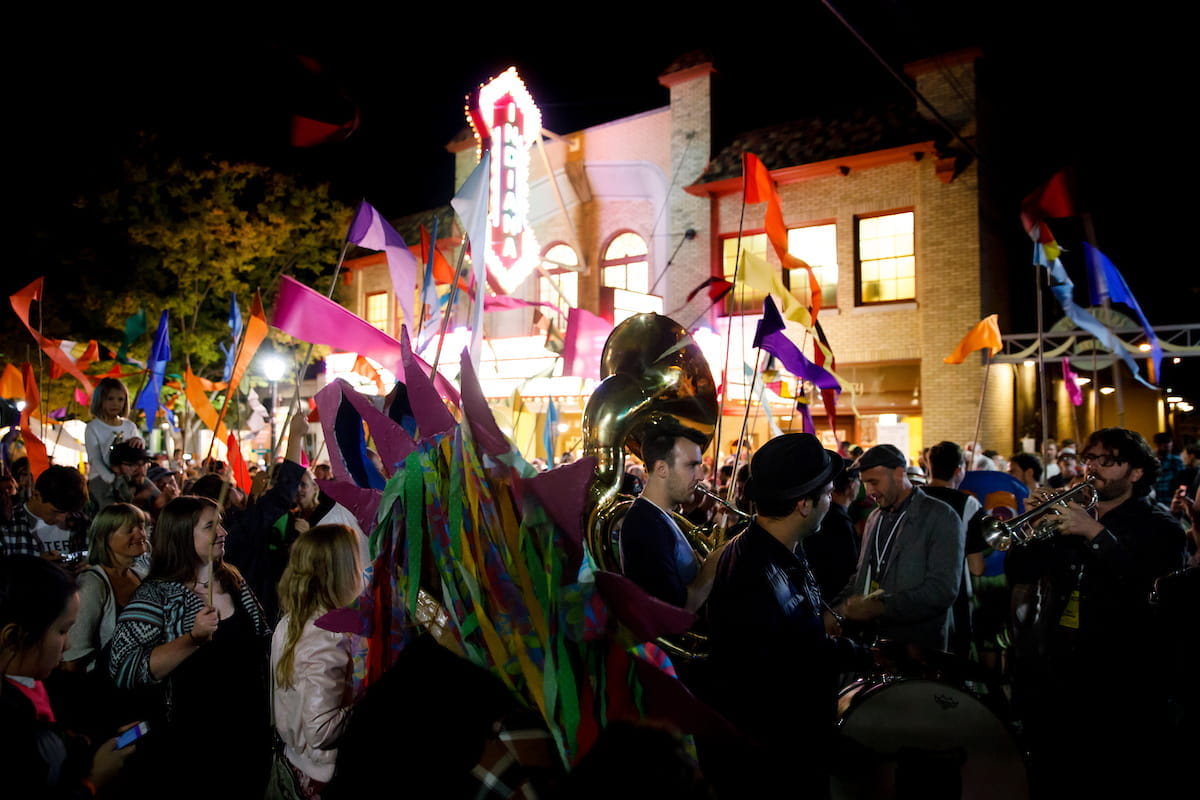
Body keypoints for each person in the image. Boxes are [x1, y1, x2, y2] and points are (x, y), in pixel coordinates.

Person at [1005, 427, 1186, 795]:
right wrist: (1038, 525)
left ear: (1136, 472)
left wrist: (1095, 533)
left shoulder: (1161, 526)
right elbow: (1020, 572)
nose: (1093, 468)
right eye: (1090, 459)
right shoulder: (1071, 514)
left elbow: (1149, 587)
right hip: (1061, 666)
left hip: (1123, 674)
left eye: (1108, 461)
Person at [699, 433, 870, 798]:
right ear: (804, 505)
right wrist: (867, 655)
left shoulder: (776, 549)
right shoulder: (754, 568)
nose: (831, 500)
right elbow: (796, 659)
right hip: (773, 760)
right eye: (826, 493)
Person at [109, 495, 274, 799]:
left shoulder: (233, 579)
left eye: (221, 524)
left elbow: (265, 640)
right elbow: (124, 668)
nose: (223, 533)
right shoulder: (155, 596)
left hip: (248, 736)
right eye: (211, 526)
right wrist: (191, 639)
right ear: (182, 535)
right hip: (188, 746)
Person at [1, 555, 136, 798]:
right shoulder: (12, 729)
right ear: (13, 637)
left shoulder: (37, 690)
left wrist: (97, 743)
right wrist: (92, 783)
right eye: (62, 631)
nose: (68, 644)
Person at [832, 443, 964, 651]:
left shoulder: (941, 516)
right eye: (865, 483)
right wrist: (837, 611)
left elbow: (942, 590)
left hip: (918, 649)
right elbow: (861, 577)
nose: (869, 492)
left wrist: (881, 608)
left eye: (874, 482)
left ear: (899, 473)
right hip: (874, 645)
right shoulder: (875, 517)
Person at [270, 525, 364, 797]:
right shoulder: (327, 636)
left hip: (296, 762)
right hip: (324, 774)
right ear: (343, 571)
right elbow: (321, 730)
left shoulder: (290, 622)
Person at [54, 504, 151, 741]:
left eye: (142, 526)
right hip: (108, 701)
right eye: (130, 529)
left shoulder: (141, 571)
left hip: (142, 691)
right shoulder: (92, 585)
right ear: (105, 537)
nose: (140, 534)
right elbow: (72, 661)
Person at [619, 426, 723, 612]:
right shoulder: (645, 525)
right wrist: (713, 565)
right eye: (692, 465)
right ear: (661, 469)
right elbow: (674, 611)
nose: (700, 476)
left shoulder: (658, 515)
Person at [920, 441, 987, 658]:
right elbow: (976, 567)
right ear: (959, 470)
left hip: (912, 592)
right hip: (954, 599)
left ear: (929, 465)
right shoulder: (968, 504)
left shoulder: (912, 497)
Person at [0, 465, 89, 560]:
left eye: (68, 512)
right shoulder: (8, 525)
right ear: (36, 495)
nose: (62, 518)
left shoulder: (82, 523)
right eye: (55, 512)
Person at [802, 458, 861, 603]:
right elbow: (848, 570)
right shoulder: (840, 522)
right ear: (851, 485)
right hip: (833, 600)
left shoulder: (823, 516)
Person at [84, 377, 142, 488]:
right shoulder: (93, 427)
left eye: (120, 400)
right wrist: (111, 479)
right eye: (110, 399)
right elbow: (95, 458)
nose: (115, 404)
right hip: (100, 478)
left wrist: (138, 442)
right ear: (100, 400)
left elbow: (138, 452)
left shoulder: (129, 426)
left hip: (128, 477)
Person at [88, 441, 162, 517]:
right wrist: (135, 502)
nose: (141, 470)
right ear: (115, 467)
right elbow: (112, 519)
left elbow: (161, 501)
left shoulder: (141, 479)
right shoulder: (101, 484)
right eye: (132, 464)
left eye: (144, 463)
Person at [1153, 431, 1185, 502]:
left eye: (1169, 444)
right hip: (1154, 499)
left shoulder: (1176, 460)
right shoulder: (1151, 460)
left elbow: (1183, 481)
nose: (1168, 447)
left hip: (1171, 499)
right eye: (1165, 445)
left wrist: (1181, 497)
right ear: (1158, 445)